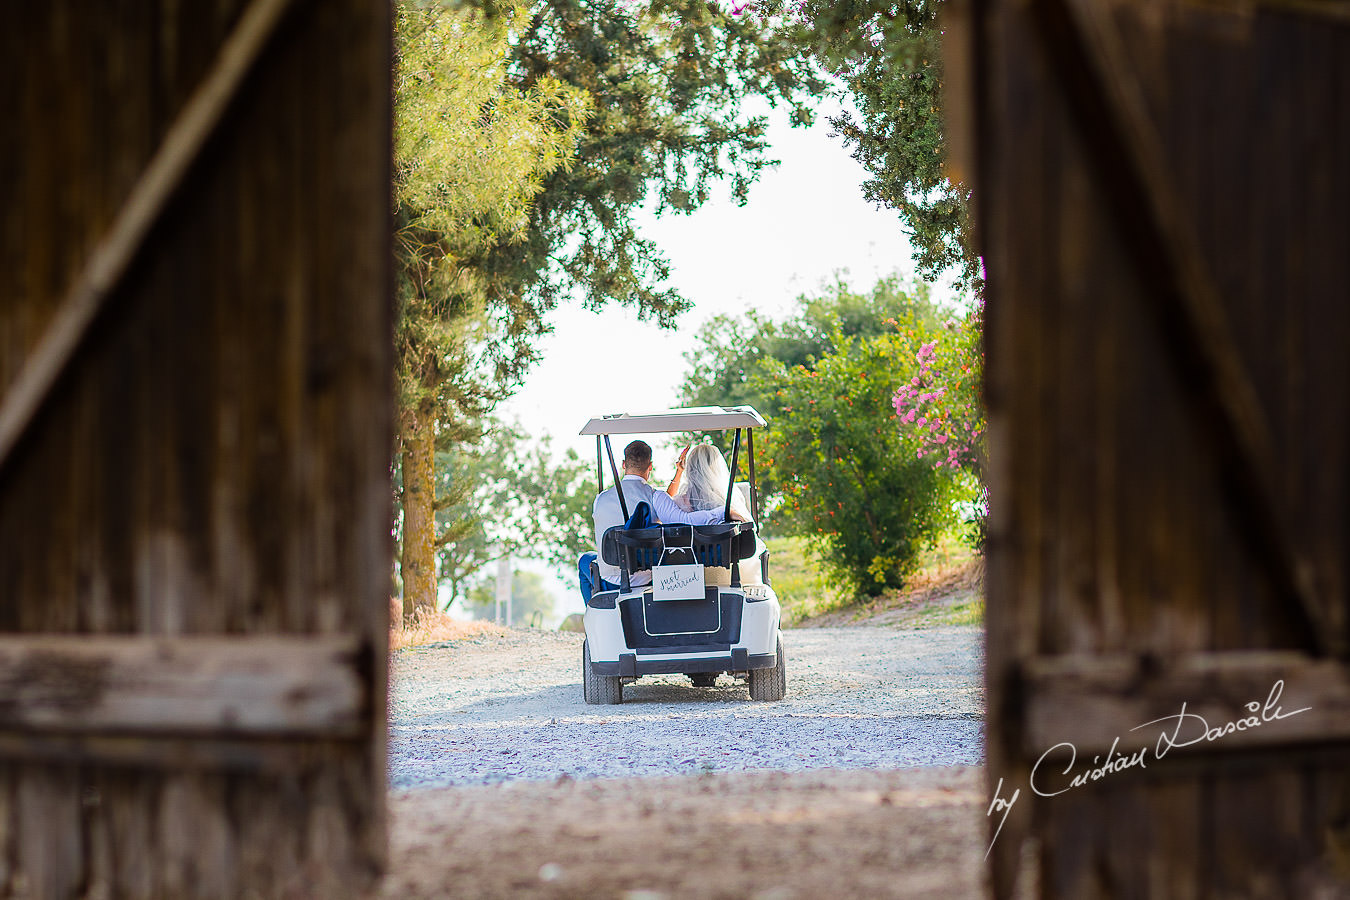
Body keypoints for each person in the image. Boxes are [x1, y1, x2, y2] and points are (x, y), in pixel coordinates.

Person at [577, 440, 726, 602]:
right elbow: (685, 520)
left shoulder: (600, 499)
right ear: (650, 466)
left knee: (585, 559)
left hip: (609, 581)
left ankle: (594, 610)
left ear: (623, 464)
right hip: (643, 580)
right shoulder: (655, 497)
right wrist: (723, 511)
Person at [667, 442, 764, 585]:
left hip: (688, 576)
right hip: (726, 572)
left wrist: (678, 472)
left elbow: (665, 501)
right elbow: (750, 530)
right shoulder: (727, 504)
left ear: (690, 469)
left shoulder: (679, 504)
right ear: (716, 469)